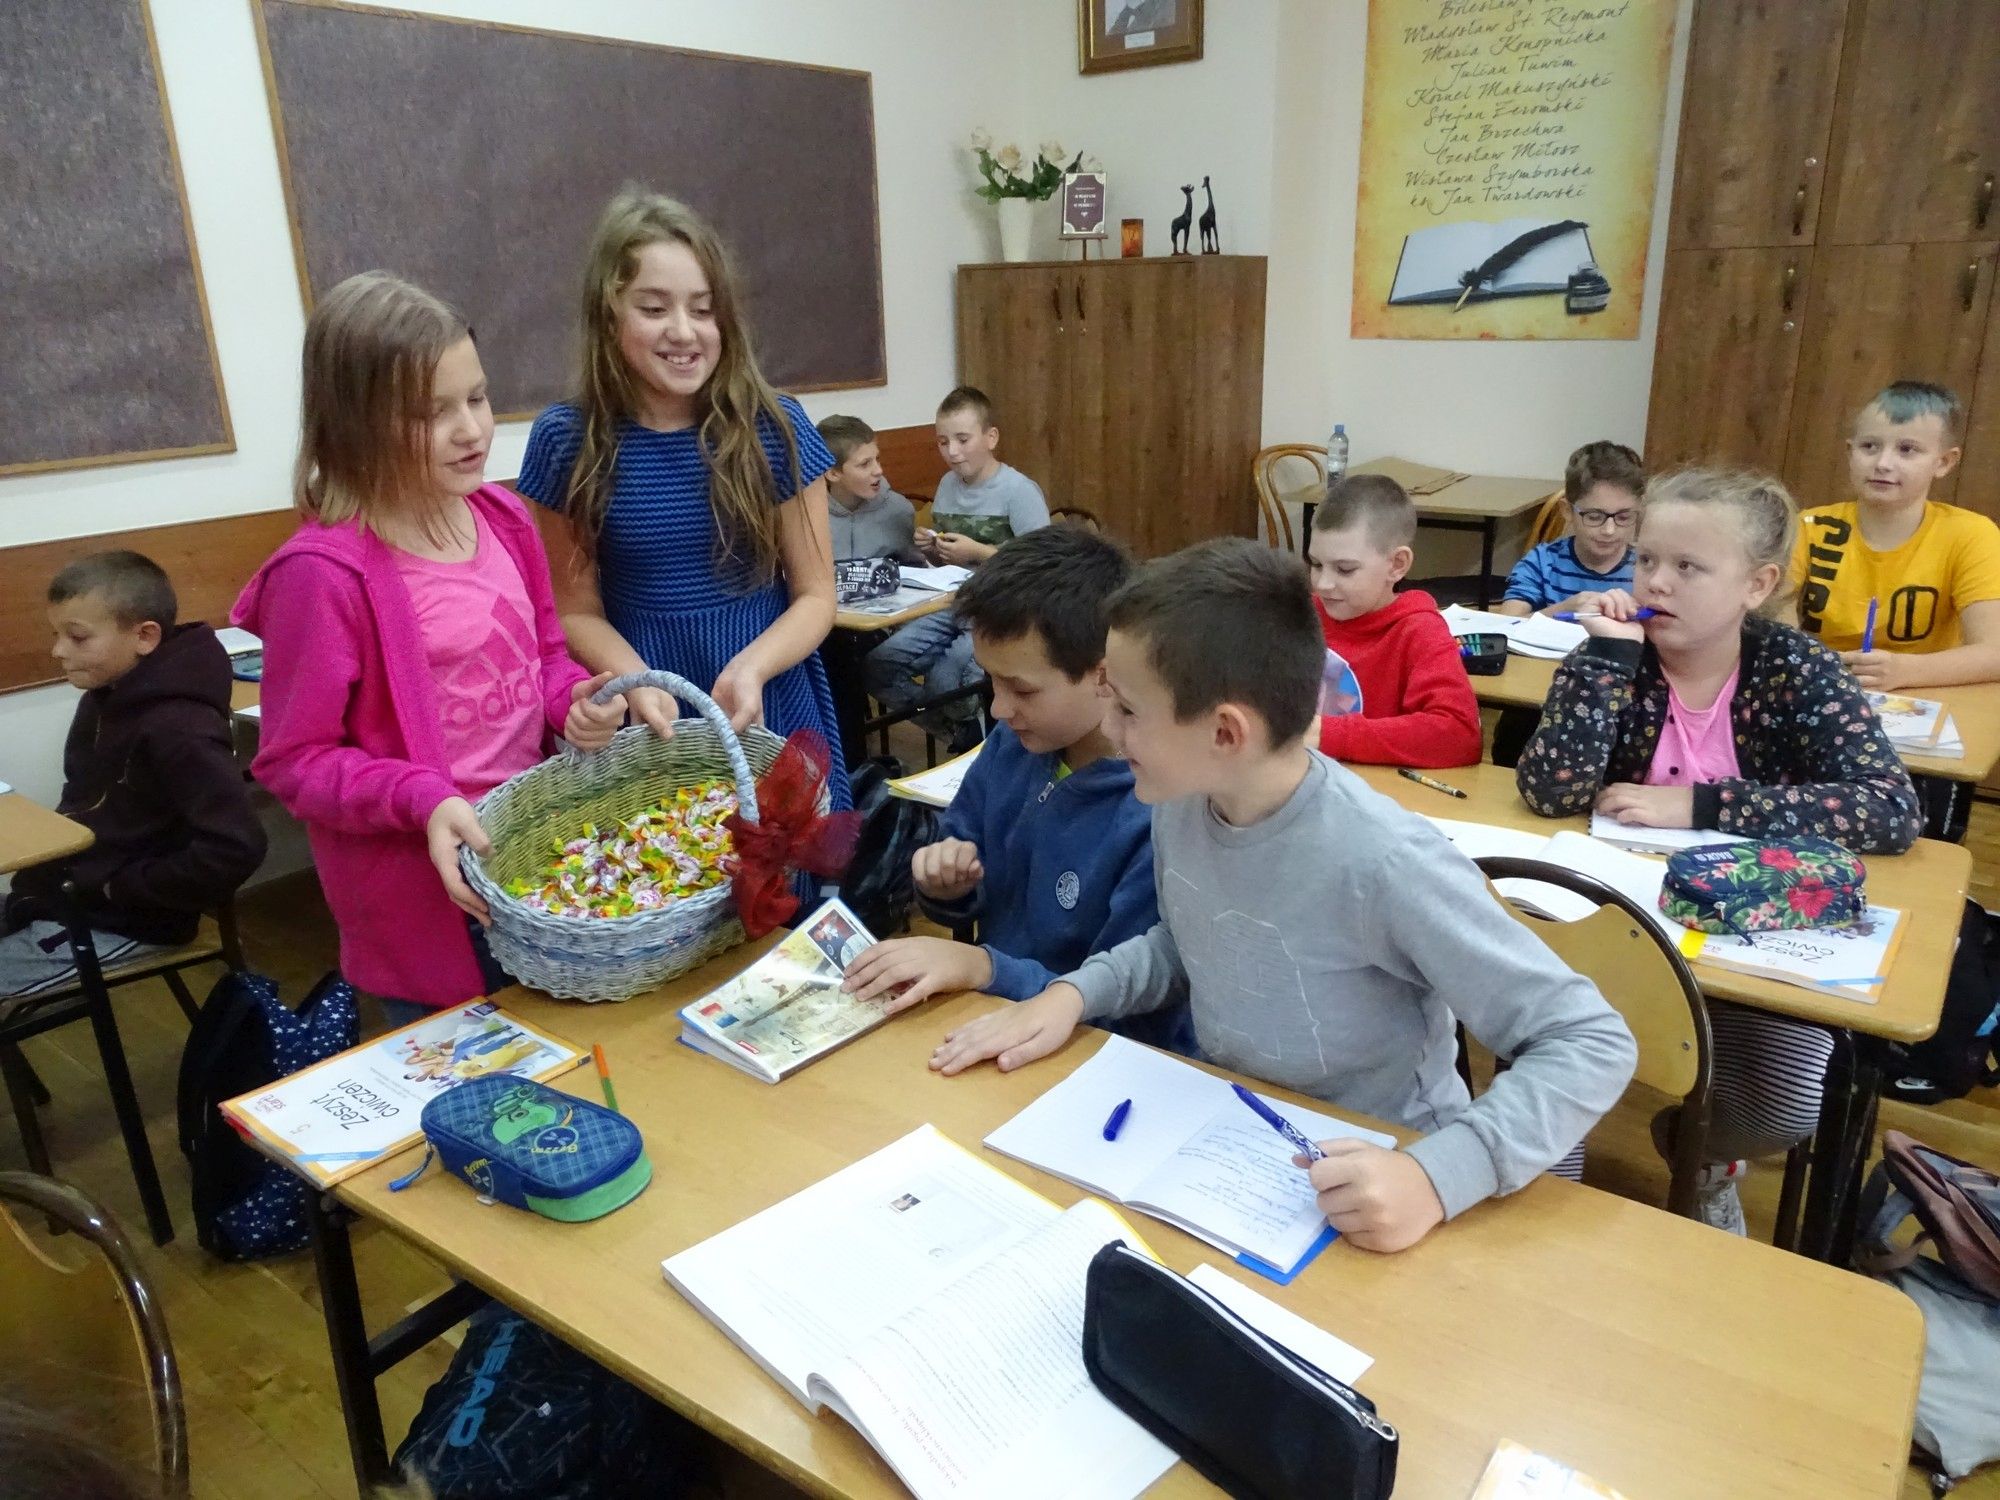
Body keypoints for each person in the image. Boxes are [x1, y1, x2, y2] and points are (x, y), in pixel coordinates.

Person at [926, 538, 1636, 1253]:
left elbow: (1589, 1041)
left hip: (1383, 1175)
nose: (1107, 730)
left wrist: (1437, 1176)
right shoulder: (1184, 797)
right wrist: (1075, 995)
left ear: (1225, 732)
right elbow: (1190, 937)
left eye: (1129, 710)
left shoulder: (1383, 861)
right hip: (1244, 1144)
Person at [1517, 467, 1921, 1232]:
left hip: (1747, 931)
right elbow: (1549, 791)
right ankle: (1541, 1221)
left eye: (1689, 567)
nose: (1656, 582)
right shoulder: (1614, 655)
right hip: (1618, 921)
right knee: (1549, 1070)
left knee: (1783, 1103)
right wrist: (1605, 660)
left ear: (1755, 585)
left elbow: (1890, 808)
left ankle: (1700, 1152)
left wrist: (1702, 806)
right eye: (1647, 560)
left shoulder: (1796, 668)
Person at [236, 273, 623, 1024]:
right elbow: (294, 761)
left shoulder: (504, 518)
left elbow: (545, 657)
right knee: (478, 1084)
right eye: (431, 413)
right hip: (430, 903)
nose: (471, 429)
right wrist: (423, 796)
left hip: (537, 859)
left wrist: (573, 703)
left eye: (477, 398)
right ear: (354, 424)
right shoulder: (321, 575)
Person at [516, 189, 850, 806]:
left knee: (785, 858)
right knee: (665, 858)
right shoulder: (566, 440)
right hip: (651, 714)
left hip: (767, 695)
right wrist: (637, 681)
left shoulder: (774, 426)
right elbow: (575, 609)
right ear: (609, 315)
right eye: (653, 308)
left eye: (703, 309)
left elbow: (816, 595)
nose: (683, 331)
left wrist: (752, 668)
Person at [841, 526, 1189, 1053]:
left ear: (1105, 677)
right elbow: (966, 858)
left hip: (1085, 1051)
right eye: (991, 681)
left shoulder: (1156, 811)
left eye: (1022, 690)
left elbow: (1125, 1010)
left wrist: (986, 967)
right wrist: (945, 887)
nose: (999, 709)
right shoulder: (1014, 744)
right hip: (992, 1015)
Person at [2, 553, 264, 998]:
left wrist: (116, 888)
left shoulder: (179, 729)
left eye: (77, 637)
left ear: (144, 637)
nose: (58, 651)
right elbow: (85, 800)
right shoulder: (104, 696)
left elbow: (237, 847)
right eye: (56, 635)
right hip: (70, 891)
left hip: (131, 917)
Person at [864, 387, 1049, 750]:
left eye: (963, 440)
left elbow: (1044, 567)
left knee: (944, 682)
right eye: (943, 442)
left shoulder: (1018, 491)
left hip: (1004, 612)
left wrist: (977, 551)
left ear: (991, 438)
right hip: (955, 601)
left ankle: (974, 735)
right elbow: (947, 563)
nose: (952, 452)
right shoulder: (947, 485)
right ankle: (960, 733)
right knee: (878, 666)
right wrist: (933, 550)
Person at [1792, 380, 2000, 691]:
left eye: (1907, 450)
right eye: (1869, 446)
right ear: (1850, 452)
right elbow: (1775, 630)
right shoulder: (1808, 526)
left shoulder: (1971, 535)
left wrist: (1906, 671)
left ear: (1944, 462)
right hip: (1823, 689)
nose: (1883, 464)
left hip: (1926, 696)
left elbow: (1994, 653)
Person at [1306, 474, 1481, 767]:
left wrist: (1326, 734)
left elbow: (1459, 734)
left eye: (1345, 569)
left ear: (1397, 565)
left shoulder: (1419, 630)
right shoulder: (1299, 616)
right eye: (1316, 564)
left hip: (1374, 789)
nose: (1323, 583)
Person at [1494, 441, 1644, 617]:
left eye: (1623, 517)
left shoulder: (1646, 568)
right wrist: (1563, 610)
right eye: (1594, 517)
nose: (1609, 530)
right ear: (1567, 511)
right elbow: (1508, 624)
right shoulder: (1542, 563)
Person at [817, 415, 920, 566]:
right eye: (864, 464)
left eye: (877, 459)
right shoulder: (807, 518)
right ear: (833, 473)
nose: (879, 471)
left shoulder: (899, 509)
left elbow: (916, 568)